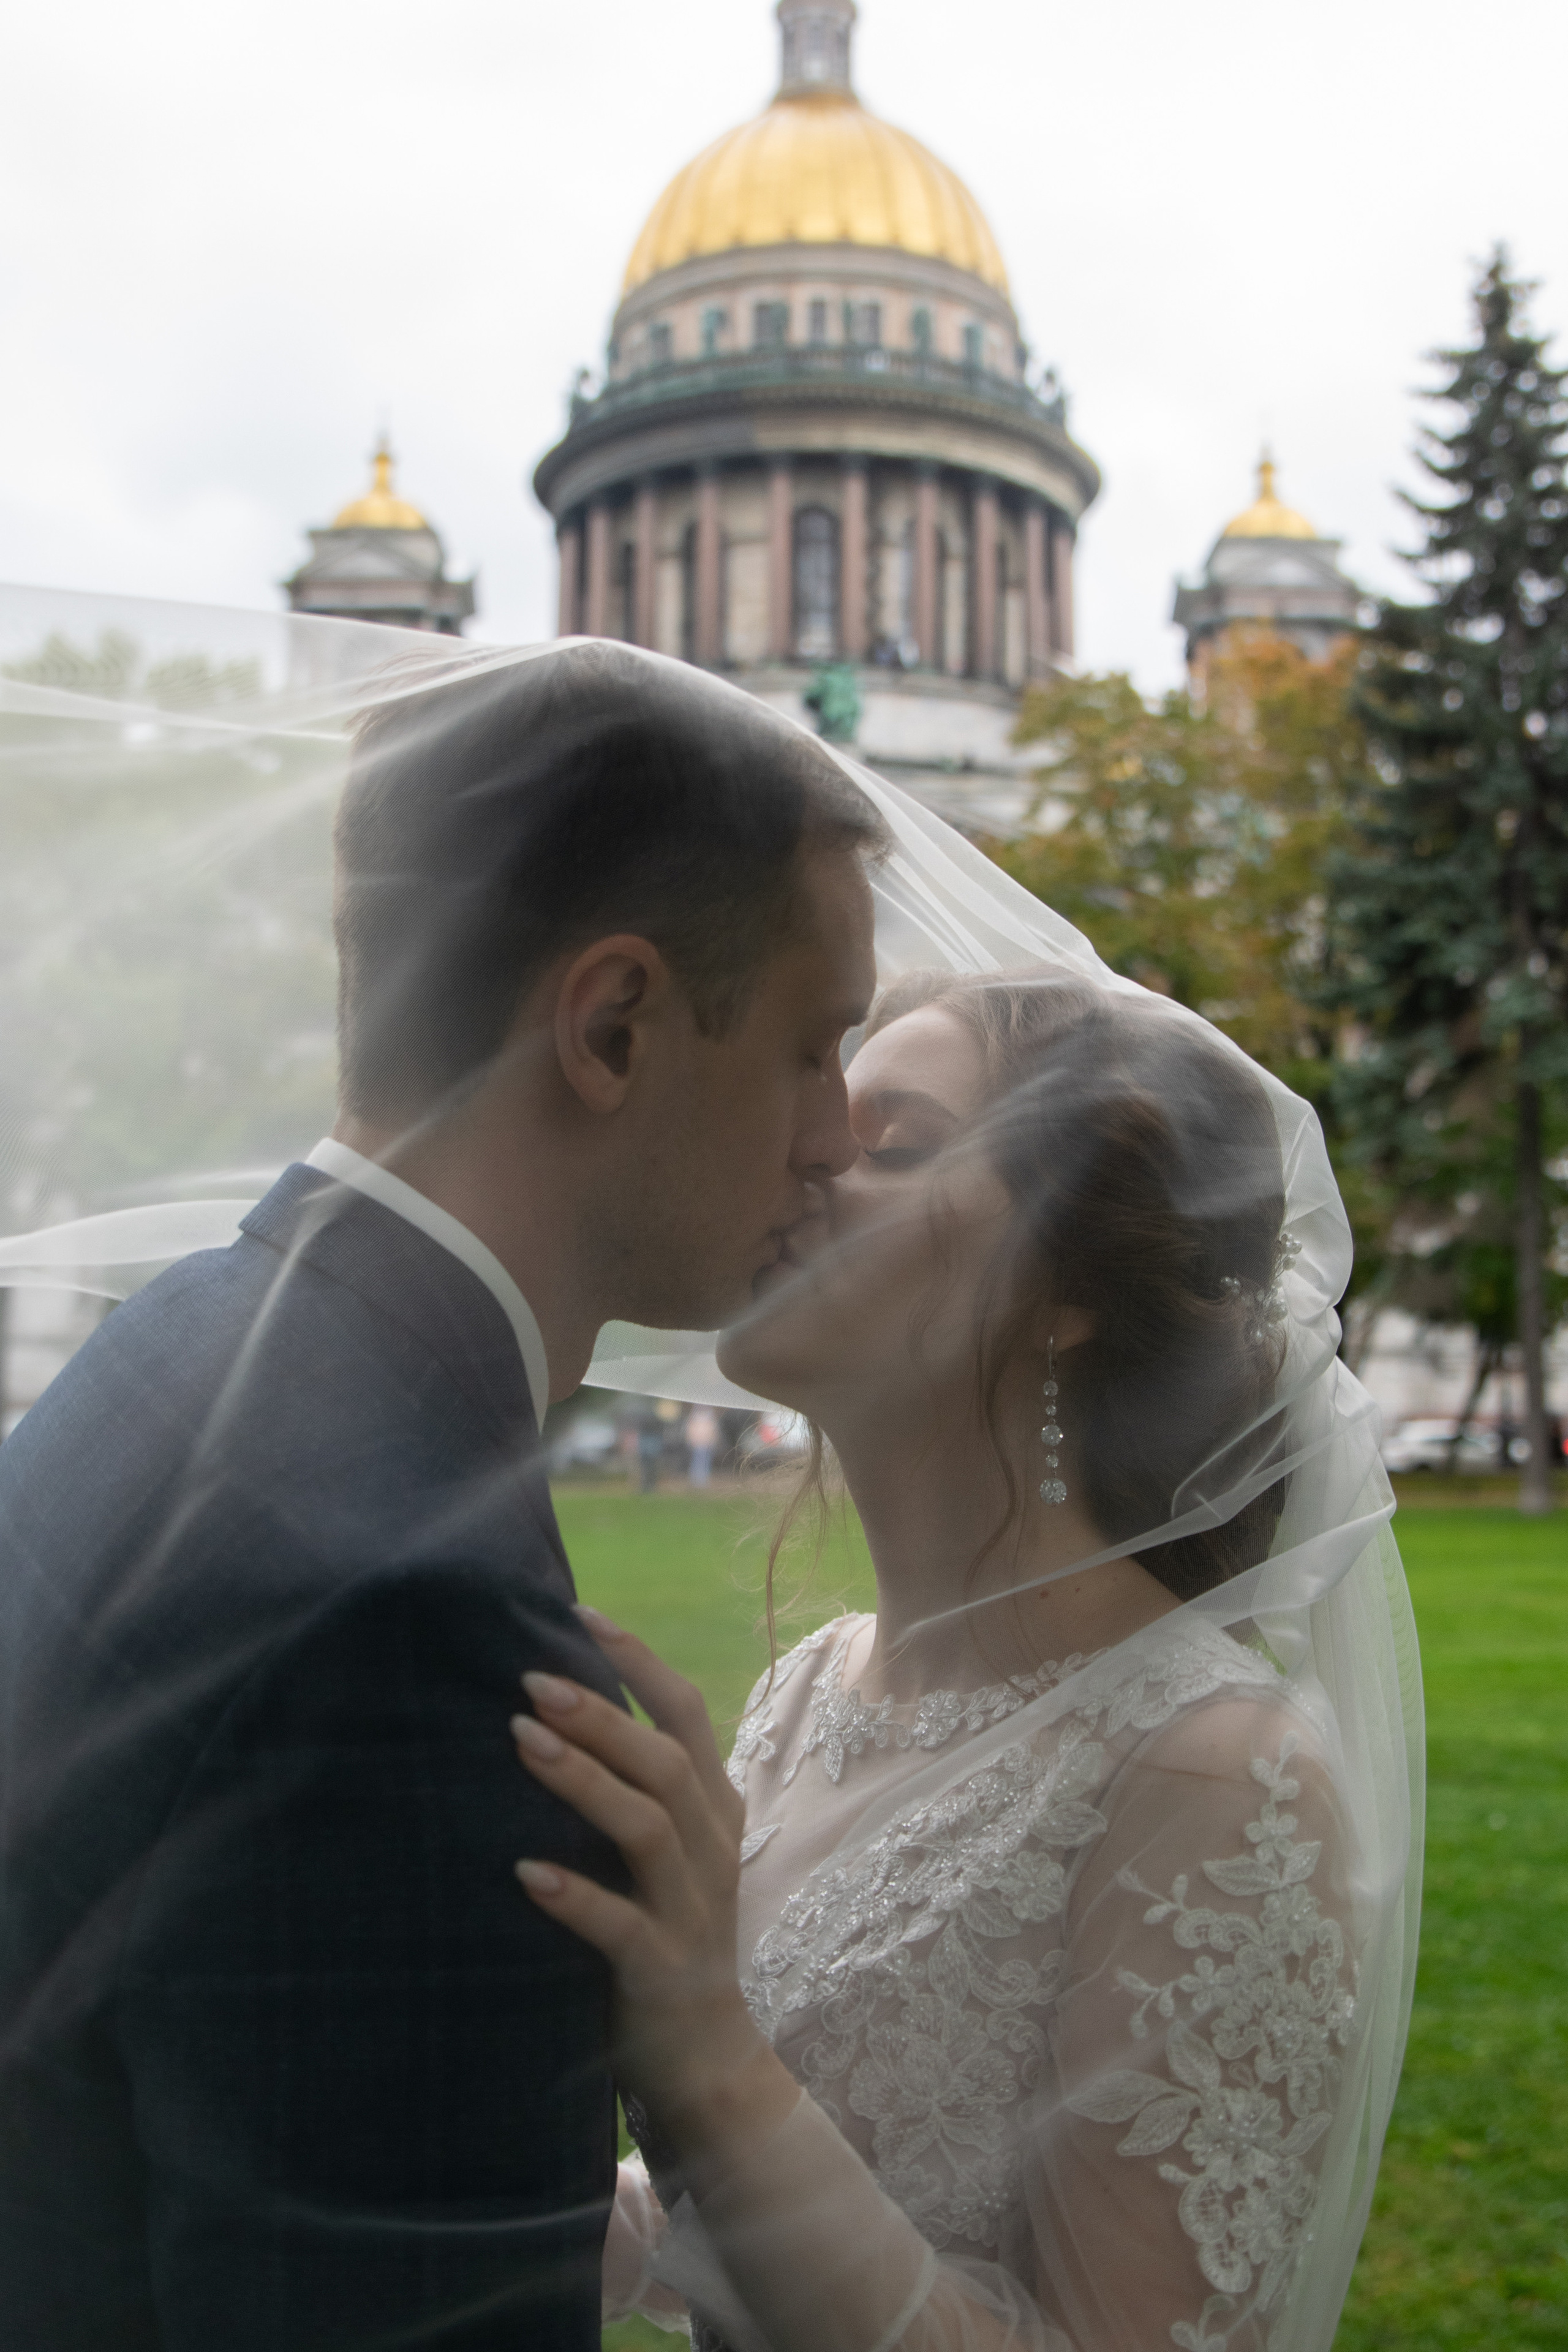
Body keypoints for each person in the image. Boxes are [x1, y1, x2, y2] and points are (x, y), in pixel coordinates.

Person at [0, 640, 882, 2352]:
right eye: (814, 1045)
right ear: (613, 1026)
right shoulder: (407, 1615)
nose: (838, 1135)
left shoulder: (168, 1345)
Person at [508, 970, 1423, 2352]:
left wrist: (702, 2046)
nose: (804, 1157)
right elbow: (797, 2213)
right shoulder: (809, 1690)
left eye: (893, 1146)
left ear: (1066, 1286)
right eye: (820, 1116)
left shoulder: (1211, 1776)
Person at [687, 1403, 720, 1487]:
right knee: (697, 1460)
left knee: (706, 1461)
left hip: (707, 1442)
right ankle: (695, 1479)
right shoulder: (695, 1416)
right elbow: (691, 1428)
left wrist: (713, 1440)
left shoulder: (710, 1416)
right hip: (698, 1442)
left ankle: (703, 1479)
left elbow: (713, 1429)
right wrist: (692, 1439)